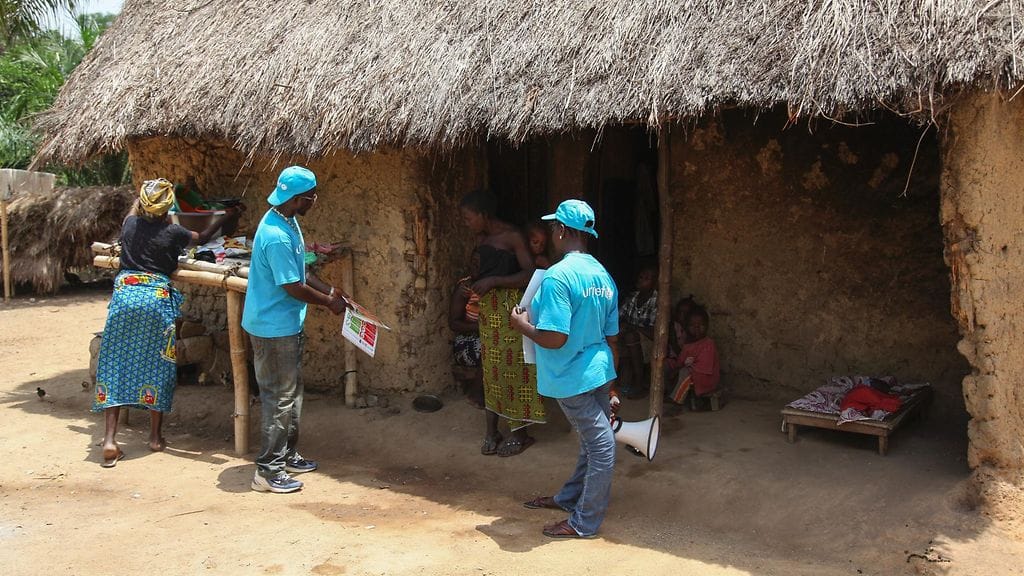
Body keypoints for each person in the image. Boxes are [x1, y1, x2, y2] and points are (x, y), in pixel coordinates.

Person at [93, 179, 242, 467]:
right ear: (167, 208)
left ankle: (110, 440)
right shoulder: (173, 232)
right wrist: (227, 215)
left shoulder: (129, 225)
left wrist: (141, 200)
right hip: (155, 300)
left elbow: (133, 212)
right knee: (158, 365)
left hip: (125, 296)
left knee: (114, 363)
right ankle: (155, 438)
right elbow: (203, 237)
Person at [510, 199, 619, 539]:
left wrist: (521, 325)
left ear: (560, 231)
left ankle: (583, 522)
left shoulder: (558, 277)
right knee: (592, 442)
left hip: (571, 376)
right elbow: (613, 337)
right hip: (599, 371)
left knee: (601, 446)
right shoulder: (603, 276)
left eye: (554, 226)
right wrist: (613, 383)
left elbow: (555, 338)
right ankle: (569, 498)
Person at [243, 166, 351, 494]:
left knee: (290, 394)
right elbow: (292, 286)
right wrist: (328, 302)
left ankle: (286, 455)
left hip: (285, 324)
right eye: (311, 196)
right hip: (273, 328)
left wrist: (329, 290)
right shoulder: (276, 235)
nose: (314, 201)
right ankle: (267, 471)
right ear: (298, 198)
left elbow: (300, 269)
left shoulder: (287, 221)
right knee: (278, 398)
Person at [459, 190, 543, 457]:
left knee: (515, 370)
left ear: (483, 215)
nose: (466, 224)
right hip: (489, 315)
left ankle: (520, 434)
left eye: (469, 218)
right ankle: (491, 431)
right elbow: (481, 271)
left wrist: (495, 281)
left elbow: (530, 274)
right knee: (491, 370)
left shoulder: (512, 236)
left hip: (511, 313)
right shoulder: (481, 238)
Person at [618, 264, 658, 399]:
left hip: (650, 343)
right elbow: (618, 317)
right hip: (632, 340)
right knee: (618, 334)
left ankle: (639, 383)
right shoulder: (633, 297)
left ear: (655, 283)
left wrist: (631, 327)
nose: (641, 280)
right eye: (641, 277)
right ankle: (624, 379)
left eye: (647, 278)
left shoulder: (658, 301)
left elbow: (655, 333)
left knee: (630, 336)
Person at [449, 248, 483, 408]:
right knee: (489, 348)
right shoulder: (465, 287)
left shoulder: (495, 285)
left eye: (480, 264)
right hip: (467, 341)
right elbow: (453, 323)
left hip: (488, 337)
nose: (475, 267)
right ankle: (476, 393)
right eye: (473, 262)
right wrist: (482, 328)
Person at [667, 306, 720, 407]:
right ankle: (669, 393)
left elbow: (704, 368)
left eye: (701, 325)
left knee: (685, 373)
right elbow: (680, 361)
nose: (697, 328)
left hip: (705, 379)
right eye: (692, 325)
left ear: (707, 326)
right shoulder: (687, 345)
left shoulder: (708, 344)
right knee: (667, 365)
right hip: (690, 374)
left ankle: (676, 402)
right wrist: (675, 367)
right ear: (686, 327)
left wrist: (681, 369)